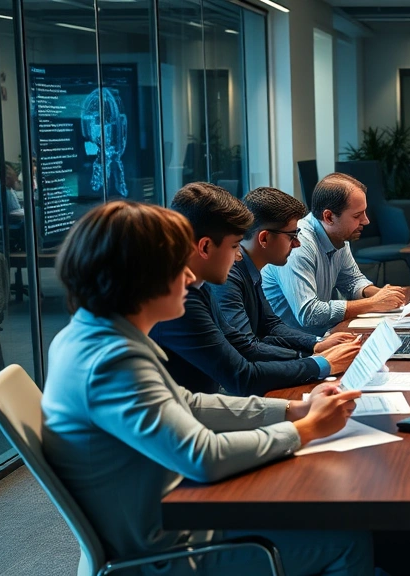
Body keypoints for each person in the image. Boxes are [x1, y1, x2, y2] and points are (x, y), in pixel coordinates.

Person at [41, 200, 372, 575]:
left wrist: (292, 410)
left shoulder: (96, 336)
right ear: (141, 276)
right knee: (348, 541)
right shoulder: (112, 362)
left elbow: (187, 403)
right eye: (178, 266)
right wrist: (306, 429)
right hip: (166, 551)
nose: (191, 278)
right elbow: (203, 456)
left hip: (173, 514)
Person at [151, 183, 361, 396]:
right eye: (234, 246)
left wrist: (317, 351)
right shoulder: (180, 299)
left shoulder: (198, 286)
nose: (238, 256)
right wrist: (319, 364)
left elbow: (241, 342)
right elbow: (242, 376)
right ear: (205, 247)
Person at [211, 187, 361, 361]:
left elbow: (271, 325)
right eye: (292, 236)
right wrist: (312, 358)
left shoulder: (251, 268)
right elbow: (247, 347)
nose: (297, 244)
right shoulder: (228, 277)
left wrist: (317, 343)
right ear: (264, 238)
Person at [263, 173, 406, 336]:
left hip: (324, 338)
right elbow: (309, 313)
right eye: (357, 215)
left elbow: (352, 280)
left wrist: (378, 293)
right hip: (292, 349)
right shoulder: (298, 246)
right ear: (329, 217)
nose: (366, 221)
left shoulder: (339, 236)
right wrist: (373, 303)